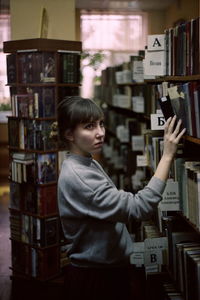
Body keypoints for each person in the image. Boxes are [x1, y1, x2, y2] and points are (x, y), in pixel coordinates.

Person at [54, 96, 186, 300]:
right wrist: (167, 155)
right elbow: (139, 208)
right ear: (69, 134)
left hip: (103, 270)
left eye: (101, 124)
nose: (100, 133)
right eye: (89, 127)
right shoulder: (80, 176)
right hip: (96, 278)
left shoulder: (84, 161)